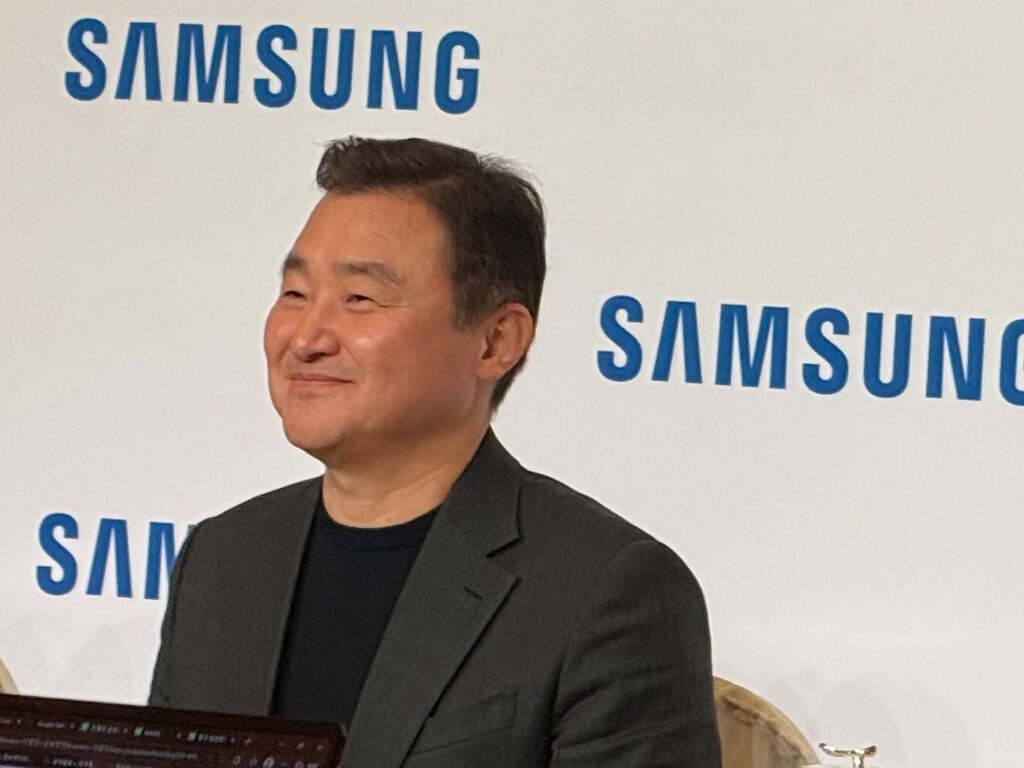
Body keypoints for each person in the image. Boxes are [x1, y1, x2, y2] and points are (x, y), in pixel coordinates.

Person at [149, 136, 720, 768]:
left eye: (359, 298)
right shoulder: (223, 559)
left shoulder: (606, 591)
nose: (306, 338)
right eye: (294, 294)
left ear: (495, 341)